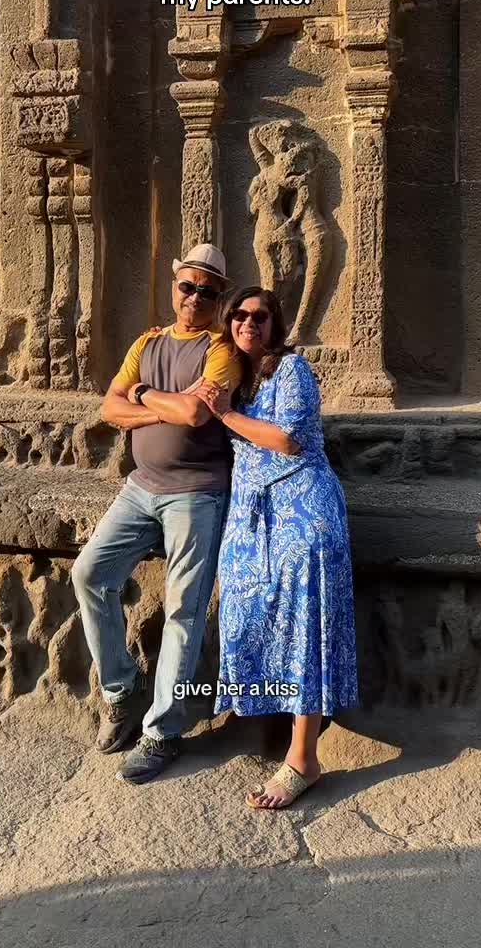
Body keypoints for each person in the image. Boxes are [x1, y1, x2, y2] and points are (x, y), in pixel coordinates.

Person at [72, 244, 241, 784]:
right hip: (140, 488)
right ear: (174, 287)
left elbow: (195, 412)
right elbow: (109, 407)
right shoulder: (147, 343)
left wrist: (142, 397)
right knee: (90, 573)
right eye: (187, 286)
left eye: (207, 291)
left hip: (197, 492)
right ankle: (120, 691)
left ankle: (163, 731)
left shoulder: (223, 350)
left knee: (183, 609)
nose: (195, 298)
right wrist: (156, 399)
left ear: (220, 298)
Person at [196, 286, 358, 809]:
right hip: (251, 516)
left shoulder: (291, 370)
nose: (249, 323)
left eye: (260, 316)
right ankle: (262, 723)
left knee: (304, 626)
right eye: (239, 315)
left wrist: (225, 415)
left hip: (302, 510)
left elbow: (289, 440)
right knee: (246, 615)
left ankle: (303, 757)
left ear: (275, 325)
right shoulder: (231, 376)